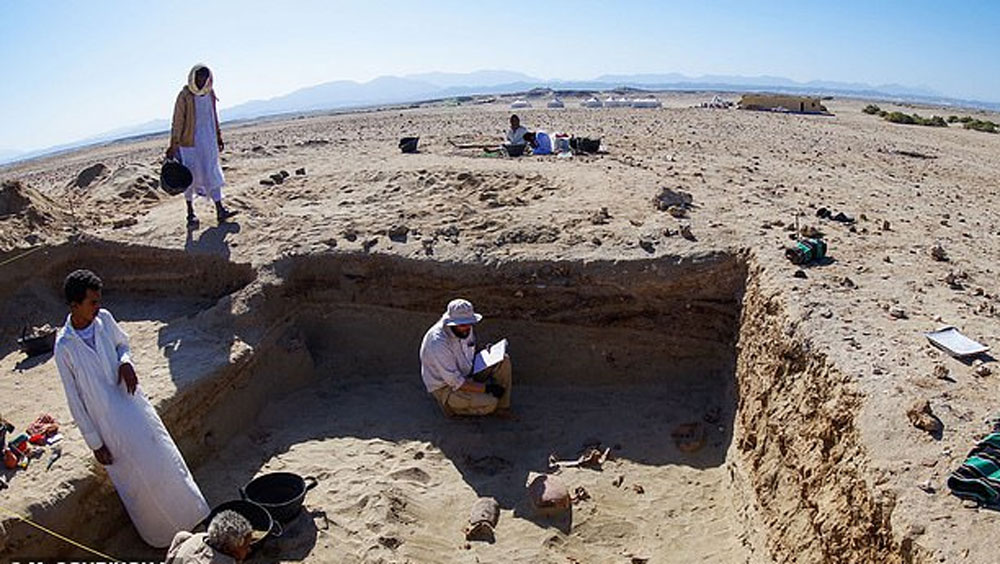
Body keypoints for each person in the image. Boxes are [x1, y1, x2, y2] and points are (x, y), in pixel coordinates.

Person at [53, 269, 210, 547]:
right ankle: (161, 537)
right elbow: (74, 399)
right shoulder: (65, 346)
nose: (97, 307)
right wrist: (94, 441)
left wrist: (126, 362)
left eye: (99, 301)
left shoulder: (104, 319)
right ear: (74, 305)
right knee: (138, 483)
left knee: (165, 463)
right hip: (109, 427)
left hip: (134, 407)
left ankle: (193, 515)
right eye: (92, 302)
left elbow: (122, 344)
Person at [167, 64, 237, 227]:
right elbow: (177, 121)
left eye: (205, 78)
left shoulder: (210, 93)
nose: (202, 81)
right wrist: (174, 144)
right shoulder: (184, 95)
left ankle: (220, 209)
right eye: (199, 77)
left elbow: (213, 116)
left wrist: (218, 136)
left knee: (212, 171)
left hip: (208, 141)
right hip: (189, 143)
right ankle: (190, 213)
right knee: (190, 176)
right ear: (193, 77)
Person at [420, 299, 512, 416]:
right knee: (490, 403)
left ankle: (503, 407)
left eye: (469, 323)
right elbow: (455, 382)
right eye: (463, 324)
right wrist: (486, 389)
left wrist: (487, 352)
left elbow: (469, 348)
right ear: (450, 322)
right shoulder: (438, 342)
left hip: (466, 372)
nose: (467, 328)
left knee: (503, 360)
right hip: (447, 387)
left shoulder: (465, 328)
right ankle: (449, 407)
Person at [166, 510, 254, 564]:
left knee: (182, 535)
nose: (249, 549)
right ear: (227, 549)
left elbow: (179, 537)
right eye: (245, 547)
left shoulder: (200, 537)